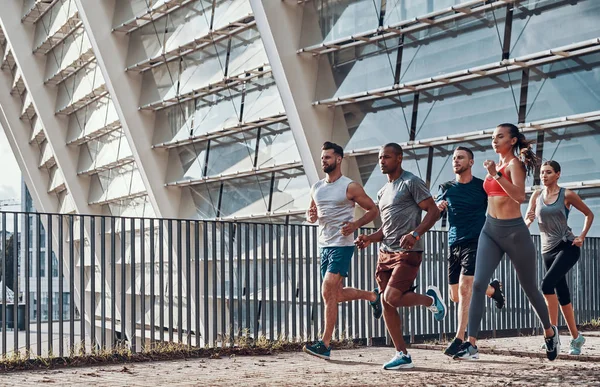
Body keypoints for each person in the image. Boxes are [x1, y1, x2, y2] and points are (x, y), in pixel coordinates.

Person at [453, 123, 560, 361]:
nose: (494, 140)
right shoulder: (498, 165)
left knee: (530, 288)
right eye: (492, 137)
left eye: (500, 137)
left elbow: (520, 196)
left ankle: (550, 332)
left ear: (512, 141)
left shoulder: (514, 165)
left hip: (514, 232)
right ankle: (471, 344)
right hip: (490, 230)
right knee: (478, 284)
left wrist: (495, 175)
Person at [355, 143, 446, 370]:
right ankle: (402, 354)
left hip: (408, 252)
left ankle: (430, 300)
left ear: (399, 158)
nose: (381, 161)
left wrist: (415, 234)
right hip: (385, 253)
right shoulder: (382, 191)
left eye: (386, 157)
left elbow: (434, 211)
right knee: (387, 304)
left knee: (391, 298)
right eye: (379, 158)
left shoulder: (411, 182)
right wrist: (369, 238)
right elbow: (385, 229)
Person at [303, 141, 382, 360]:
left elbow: (373, 210)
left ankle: (325, 344)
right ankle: (373, 296)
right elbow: (311, 213)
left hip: (342, 245)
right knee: (334, 295)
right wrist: (311, 217)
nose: (323, 161)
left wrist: (356, 225)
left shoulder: (350, 186)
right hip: (324, 245)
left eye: (327, 157)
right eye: (322, 158)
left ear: (339, 159)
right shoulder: (316, 187)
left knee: (326, 288)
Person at [435, 146, 506, 357]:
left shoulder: (481, 186)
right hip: (454, 243)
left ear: (471, 162)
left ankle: (460, 339)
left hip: (477, 241)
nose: (456, 161)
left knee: (466, 289)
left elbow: (499, 203)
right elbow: (436, 211)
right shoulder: (446, 187)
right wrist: (438, 208)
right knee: (456, 296)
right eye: (454, 158)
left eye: (461, 158)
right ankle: (493, 290)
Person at [525, 160, 594, 355]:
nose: (544, 176)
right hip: (547, 250)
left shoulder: (567, 195)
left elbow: (589, 214)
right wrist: (524, 226)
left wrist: (581, 236)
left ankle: (551, 335)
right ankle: (576, 338)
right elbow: (529, 217)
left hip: (567, 246)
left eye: (548, 172)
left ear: (558, 174)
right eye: (542, 173)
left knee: (546, 285)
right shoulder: (536, 196)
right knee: (562, 294)